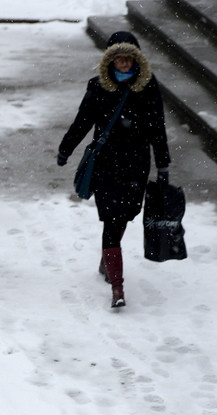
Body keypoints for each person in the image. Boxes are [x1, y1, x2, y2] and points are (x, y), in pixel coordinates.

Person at [57, 31, 171, 308]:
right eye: (118, 58)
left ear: (136, 59)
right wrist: (66, 148)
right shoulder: (99, 87)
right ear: (110, 60)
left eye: (128, 58)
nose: (123, 63)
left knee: (123, 217)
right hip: (107, 164)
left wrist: (163, 163)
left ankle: (107, 261)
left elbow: (157, 127)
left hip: (136, 165)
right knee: (111, 220)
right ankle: (117, 287)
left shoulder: (148, 87)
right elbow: (82, 120)